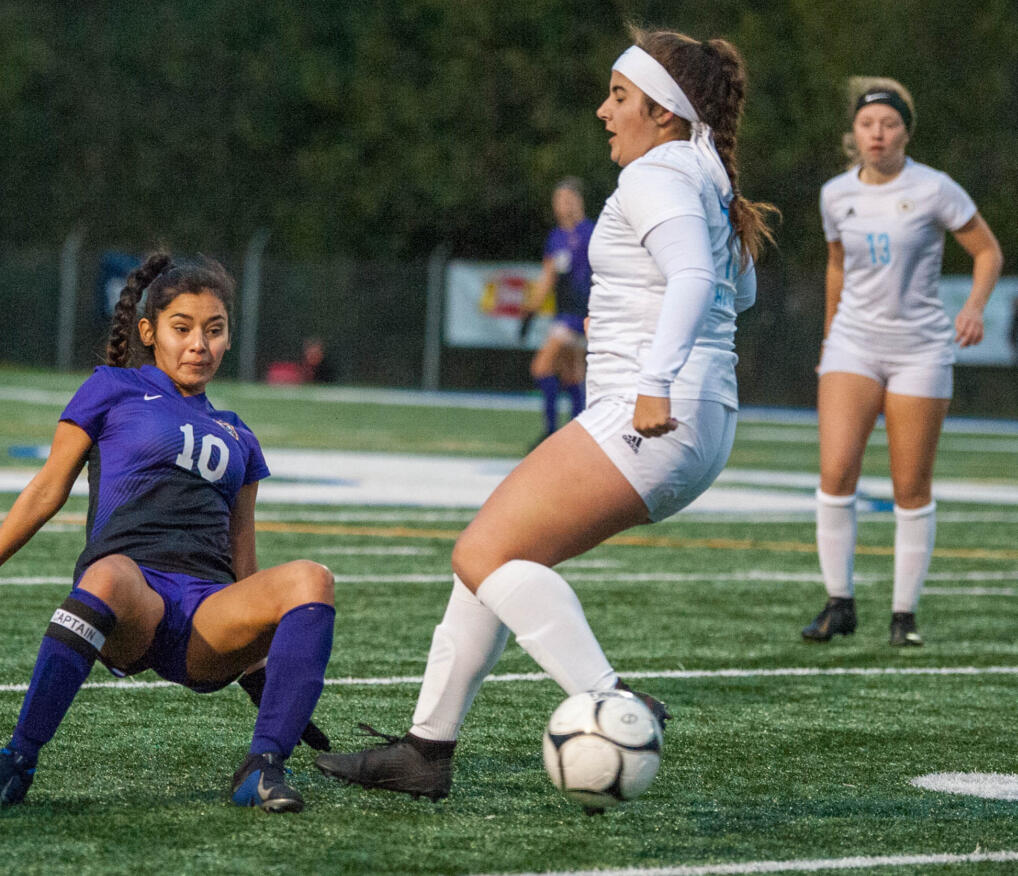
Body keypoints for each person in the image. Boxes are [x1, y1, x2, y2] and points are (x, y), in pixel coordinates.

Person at [315, 28, 775, 802]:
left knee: (480, 555)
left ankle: (612, 701)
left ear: (662, 111)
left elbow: (695, 277)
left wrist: (653, 374)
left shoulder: (656, 174)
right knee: (495, 559)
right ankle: (427, 748)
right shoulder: (701, 171)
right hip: (697, 421)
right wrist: (628, 325)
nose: (603, 110)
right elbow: (739, 292)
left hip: (653, 414)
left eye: (619, 96)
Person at [0, 253, 337, 813]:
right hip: (132, 601)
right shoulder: (112, 389)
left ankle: (264, 766)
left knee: (312, 579)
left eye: (214, 331)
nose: (199, 344)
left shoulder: (240, 434)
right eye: (183, 328)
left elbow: (243, 560)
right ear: (150, 332)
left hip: (207, 618)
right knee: (109, 573)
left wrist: (264, 679)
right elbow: (47, 490)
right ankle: (15, 764)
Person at [801, 78, 1003, 647]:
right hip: (853, 344)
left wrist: (974, 307)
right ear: (855, 133)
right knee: (836, 472)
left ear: (905, 132)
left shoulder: (936, 188)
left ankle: (903, 617)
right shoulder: (835, 194)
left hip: (920, 348)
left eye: (889, 125)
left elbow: (987, 251)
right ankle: (839, 603)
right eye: (868, 124)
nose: (878, 134)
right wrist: (828, 337)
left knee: (910, 485)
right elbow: (836, 266)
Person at [523, 178, 595, 444]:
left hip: (579, 314)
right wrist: (530, 311)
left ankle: (551, 432)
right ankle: (576, 436)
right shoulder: (556, 237)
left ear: (580, 201)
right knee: (572, 374)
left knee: (542, 368)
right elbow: (547, 278)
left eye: (569, 199)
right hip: (564, 314)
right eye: (559, 200)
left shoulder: (591, 233)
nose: (564, 205)